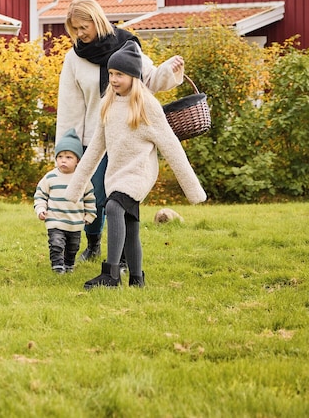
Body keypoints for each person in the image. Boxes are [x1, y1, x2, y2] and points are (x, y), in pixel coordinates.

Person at [65, 41, 206, 288]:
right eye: (111, 74)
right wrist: (75, 188)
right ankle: (137, 279)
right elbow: (95, 150)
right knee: (130, 226)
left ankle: (110, 274)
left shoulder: (146, 105)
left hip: (140, 172)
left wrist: (193, 191)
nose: (114, 79)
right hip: (116, 174)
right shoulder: (107, 104)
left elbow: (170, 146)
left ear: (133, 75)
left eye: (120, 74)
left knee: (113, 207)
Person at [56, 0, 185, 263]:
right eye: (75, 29)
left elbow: (149, 79)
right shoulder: (74, 58)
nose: (80, 35)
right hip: (94, 137)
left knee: (121, 197)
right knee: (94, 196)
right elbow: (70, 105)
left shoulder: (127, 45)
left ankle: (124, 259)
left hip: (129, 136)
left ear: (97, 20)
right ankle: (93, 245)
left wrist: (169, 70)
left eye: (84, 27)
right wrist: (69, 146)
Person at [33, 128, 97, 274]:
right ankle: (57, 266)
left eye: (69, 157)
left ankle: (69, 265)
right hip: (55, 220)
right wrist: (40, 209)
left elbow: (90, 198)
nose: (63, 160)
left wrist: (90, 215)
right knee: (56, 244)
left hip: (74, 221)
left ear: (77, 161)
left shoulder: (82, 179)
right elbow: (40, 195)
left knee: (73, 246)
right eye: (60, 156)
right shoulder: (50, 177)